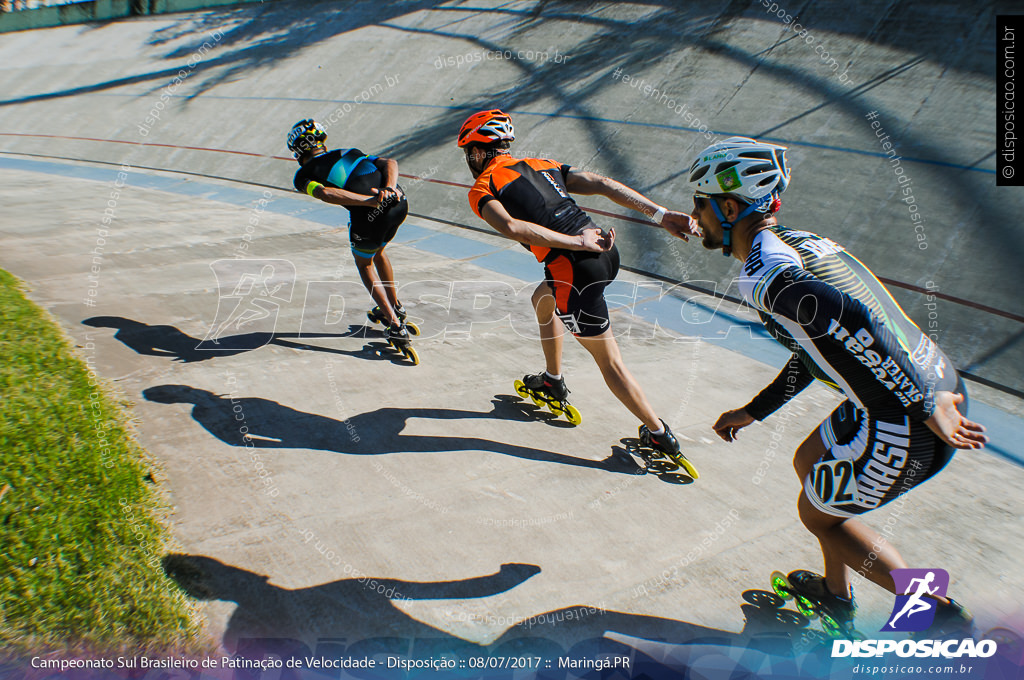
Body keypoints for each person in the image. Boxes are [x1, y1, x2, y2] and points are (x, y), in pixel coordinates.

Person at [688, 136, 988, 636]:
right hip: (916, 382)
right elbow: (822, 346)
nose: (693, 214)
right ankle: (834, 593)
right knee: (810, 464)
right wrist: (755, 410)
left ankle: (936, 614)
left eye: (699, 202)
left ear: (728, 206)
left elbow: (850, 314)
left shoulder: (763, 273)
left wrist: (920, 401)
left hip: (908, 409)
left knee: (819, 515)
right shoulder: (799, 243)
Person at [457, 109, 700, 474]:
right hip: (604, 253)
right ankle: (553, 381)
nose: (469, 161)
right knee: (542, 298)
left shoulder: (482, 188)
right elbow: (602, 183)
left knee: (610, 362)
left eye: (469, 153)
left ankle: (658, 432)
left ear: (477, 152)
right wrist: (659, 214)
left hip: (575, 267)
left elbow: (512, 227)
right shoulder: (542, 163)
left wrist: (575, 243)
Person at [287, 119, 413, 346]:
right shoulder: (349, 152)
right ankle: (396, 307)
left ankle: (395, 325)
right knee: (379, 252)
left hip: (369, 216)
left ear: (297, 151)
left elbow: (325, 193)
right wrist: (390, 189)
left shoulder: (302, 176)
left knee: (364, 264)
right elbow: (390, 162)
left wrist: (371, 202)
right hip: (399, 204)